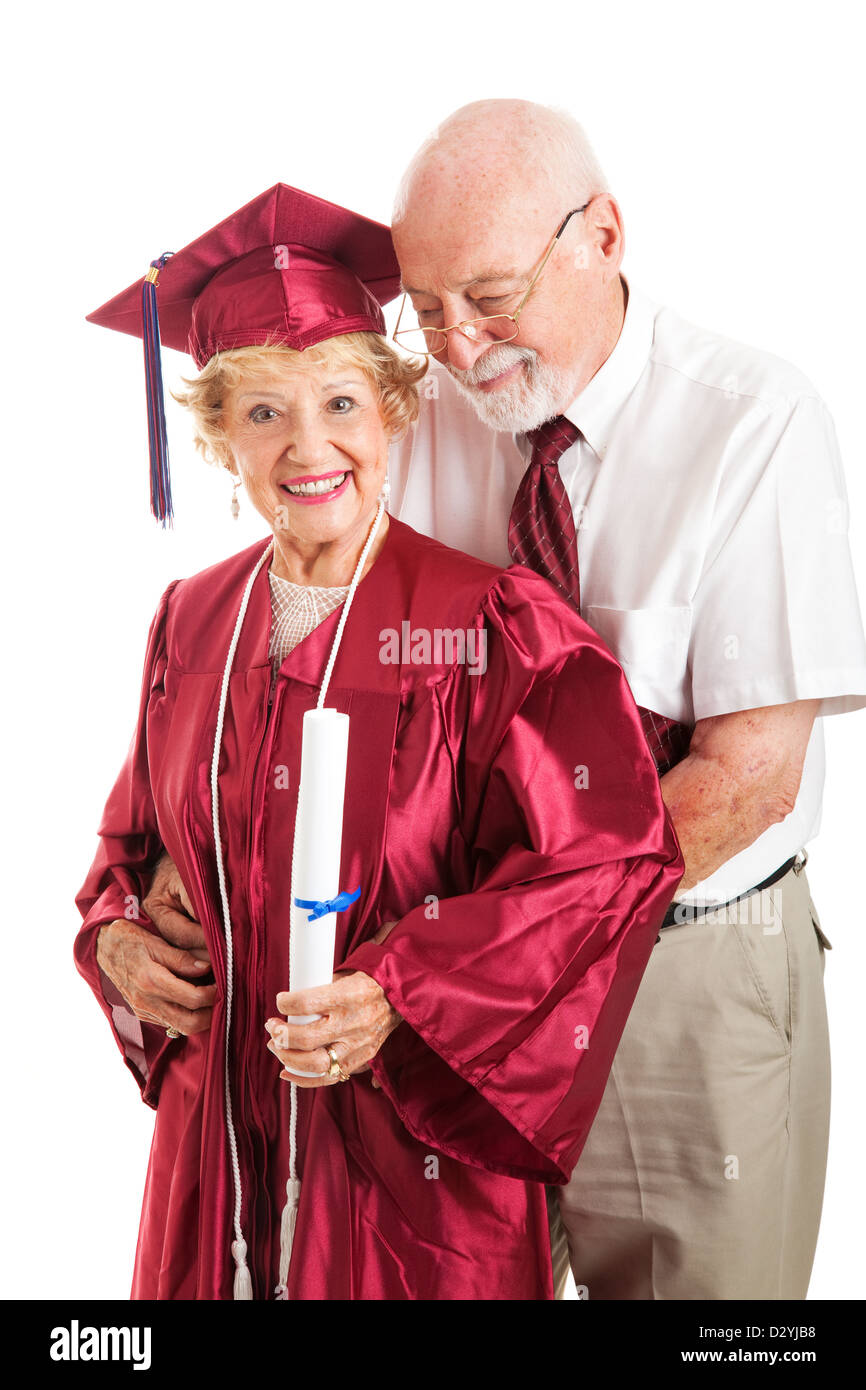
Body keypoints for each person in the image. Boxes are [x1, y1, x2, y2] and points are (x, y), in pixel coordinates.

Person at [74, 182, 683, 1301]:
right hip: (219, 1149)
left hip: (410, 1163)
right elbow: (127, 855)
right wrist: (116, 936)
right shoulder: (188, 620)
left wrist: (404, 987)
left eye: (342, 403)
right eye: (263, 414)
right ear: (217, 439)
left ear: (396, 410)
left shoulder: (491, 624)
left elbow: (608, 861)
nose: (310, 447)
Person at [373, 99, 866, 1299]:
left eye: (488, 297)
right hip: (448, 986)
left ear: (601, 234)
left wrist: (512, 947)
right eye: (423, 308)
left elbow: (745, 780)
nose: (454, 343)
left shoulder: (756, 423)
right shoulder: (417, 419)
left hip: (684, 971)